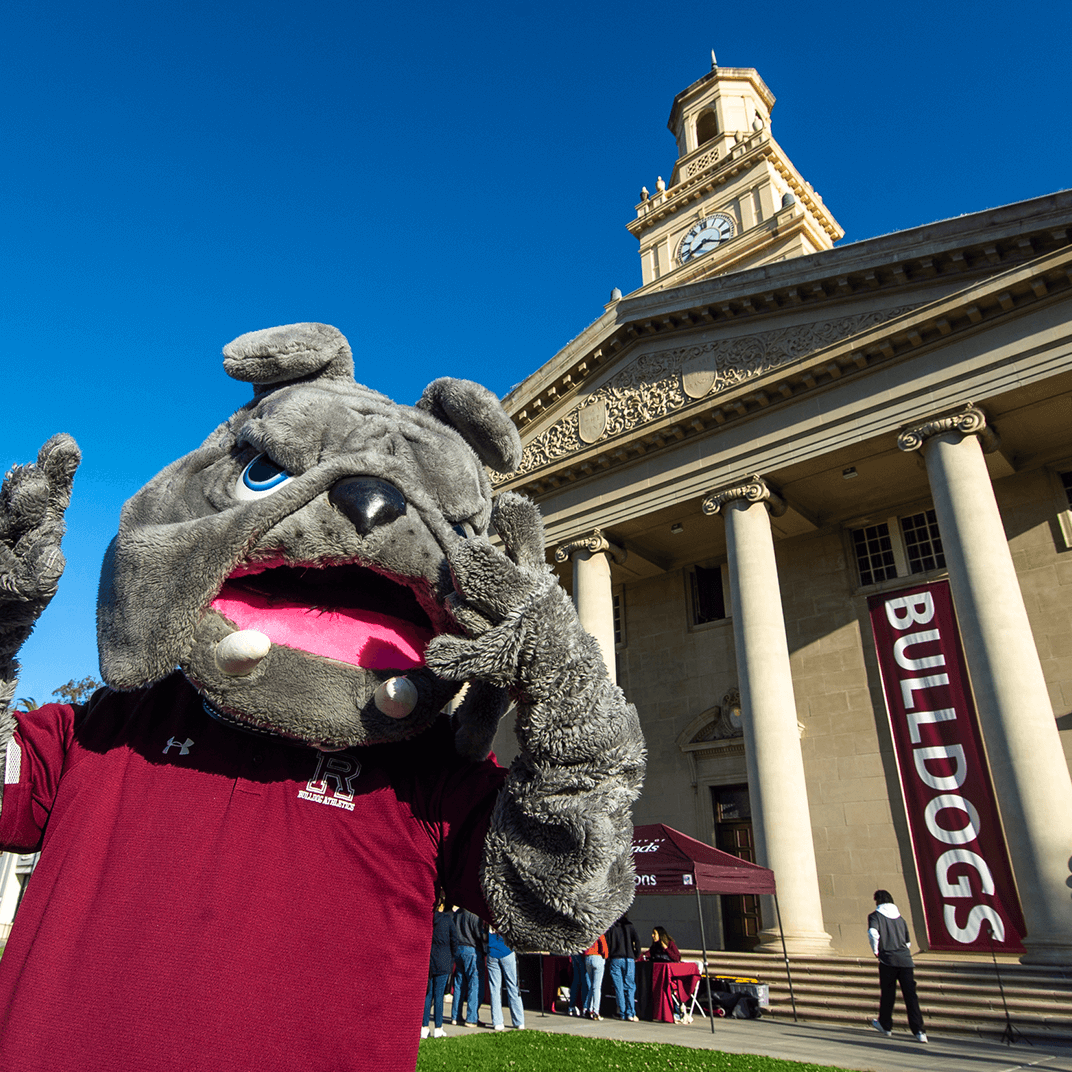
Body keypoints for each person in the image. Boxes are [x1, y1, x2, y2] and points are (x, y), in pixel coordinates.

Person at [868, 890, 927, 1043]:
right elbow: (907, 942)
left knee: (888, 993)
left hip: (888, 960)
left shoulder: (875, 916)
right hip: (906, 960)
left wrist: (876, 950)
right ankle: (919, 1031)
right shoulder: (901, 919)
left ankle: (886, 1025)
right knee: (910, 996)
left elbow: (873, 932)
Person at [421, 892, 457, 1039]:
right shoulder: (447, 920)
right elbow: (454, 940)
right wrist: (451, 957)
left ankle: (424, 1027)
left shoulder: (428, 921)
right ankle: (438, 1027)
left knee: (428, 995)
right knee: (439, 995)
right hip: (443, 961)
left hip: (430, 961)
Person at [450, 907, 485, 1027]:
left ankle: (456, 1016)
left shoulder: (457, 914)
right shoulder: (474, 914)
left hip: (459, 949)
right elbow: (478, 934)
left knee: (459, 984)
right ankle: (471, 1018)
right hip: (472, 949)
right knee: (474, 983)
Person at [486, 928, 525, 1031]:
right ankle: (519, 1021)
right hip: (507, 950)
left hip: (492, 950)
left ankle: (497, 1022)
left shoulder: (487, 918)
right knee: (512, 986)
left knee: (495, 989)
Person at [606, 913, 641, 1021]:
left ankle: (622, 1012)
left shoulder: (612, 927)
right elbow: (637, 941)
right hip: (628, 958)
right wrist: (636, 954)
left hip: (615, 958)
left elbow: (607, 943)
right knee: (629, 986)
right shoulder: (630, 926)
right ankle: (630, 1012)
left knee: (618, 987)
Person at [583, 932, 610, 1020]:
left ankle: (588, 1009)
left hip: (588, 957)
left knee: (591, 986)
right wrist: (605, 956)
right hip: (598, 957)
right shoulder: (599, 932)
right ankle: (596, 1011)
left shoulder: (587, 933)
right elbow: (603, 945)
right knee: (597, 987)